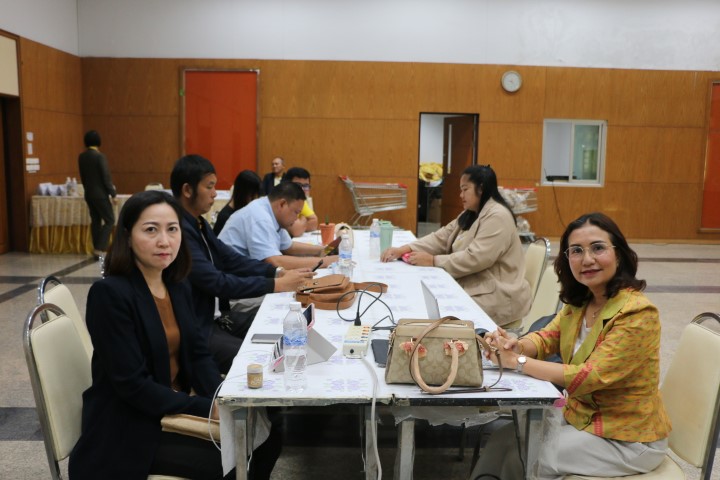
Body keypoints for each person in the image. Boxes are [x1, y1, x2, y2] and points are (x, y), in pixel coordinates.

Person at [472, 212, 671, 480]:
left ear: (619, 254)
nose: (587, 259)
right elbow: (546, 338)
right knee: (501, 440)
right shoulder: (582, 302)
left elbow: (591, 376)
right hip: (581, 416)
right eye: (576, 251)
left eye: (598, 248)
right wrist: (517, 345)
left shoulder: (637, 313)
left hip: (627, 437)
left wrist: (517, 362)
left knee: (528, 455)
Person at [68, 190, 231, 480]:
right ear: (127, 236)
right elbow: (133, 386)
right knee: (235, 458)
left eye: (172, 229)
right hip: (129, 426)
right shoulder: (110, 295)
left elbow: (197, 354)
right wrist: (205, 407)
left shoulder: (177, 285)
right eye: (151, 230)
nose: (164, 241)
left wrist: (221, 398)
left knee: (263, 438)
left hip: (168, 408)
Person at [171, 155, 312, 374]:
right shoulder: (179, 230)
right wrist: (276, 284)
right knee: (262, 360)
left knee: (282, 326)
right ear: (188, 190)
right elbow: (216, 282)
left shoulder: (198, 223)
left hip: (217, 315)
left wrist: (276, 273)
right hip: (199, 327)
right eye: (209, 186)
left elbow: (230, 259)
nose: (215, 193)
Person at [381, 165, 531, 326]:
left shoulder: (498, 216)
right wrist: (405, 249)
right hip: (478, 283)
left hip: (498, 294)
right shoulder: (472, 213)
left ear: (481, 188)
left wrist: (433, 261)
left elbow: (476, 258)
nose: (461, 195)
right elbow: (441, 237)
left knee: (437, 313)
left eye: (465, 189)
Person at [219, 181, 338, 270]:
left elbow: (289, 247)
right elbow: (274, 262)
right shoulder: (260, 217)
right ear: (282, 204)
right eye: (296, 212)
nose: (296, 218)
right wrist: (324, 262)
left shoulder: (272, 213)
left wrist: (323, 250)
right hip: (231, 280)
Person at [77, 129, 117, 258]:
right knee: (110, 220)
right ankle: (100, 248)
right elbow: (106, 177)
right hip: (100, 195)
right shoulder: (100, 156)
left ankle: (96, 248)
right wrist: (113, 194)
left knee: (95, 221)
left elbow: (83, 177)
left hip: (88, 193)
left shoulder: (82, 157)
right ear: (99, 141)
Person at [213, 169, 262, 236]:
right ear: (243, 193)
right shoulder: (226, 217)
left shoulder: (245, 210)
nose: (254, 201)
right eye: (252, 196)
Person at [282, 167, 319, 237]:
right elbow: (296, 231)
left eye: (306, 186)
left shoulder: (300, 202)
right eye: (298, 185)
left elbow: (314, 222)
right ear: (287, 185)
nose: (302, 189)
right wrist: (304, 219)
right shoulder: (283, 201)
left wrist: (301, 224)